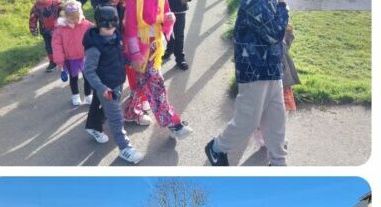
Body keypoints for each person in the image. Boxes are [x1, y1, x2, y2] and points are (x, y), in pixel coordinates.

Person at [205, 0, 288, 166]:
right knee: (248, 120)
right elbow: (274, 33)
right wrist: (283, 7)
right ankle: (217, 148)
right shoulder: (254, 2)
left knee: (276, 118)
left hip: (271, 68)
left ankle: (278, 161)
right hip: (254, 70)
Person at [121, 0, 190, 139]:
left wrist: (170, 19)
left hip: (155, 45)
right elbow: (130, 28)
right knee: (156, 84)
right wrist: (135, 55)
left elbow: (165, 16)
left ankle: (130, 112)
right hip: (140, 48)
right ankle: (173, 123)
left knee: (142, 81)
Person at [82, 5, 143, 163]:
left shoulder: (116, 36)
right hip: (106, 87)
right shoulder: (94, 47)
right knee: (116, 117)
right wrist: (102, 88)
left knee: (108, 109)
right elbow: (89, 71)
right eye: (105, 27)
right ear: (98, 24)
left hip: (117, 81)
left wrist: (130, 61)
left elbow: (119, 56)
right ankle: (125, 148)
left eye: (112, 26)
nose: (109, 30)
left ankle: (94, 126)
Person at [51, 1, 93, 106]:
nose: (75, 21)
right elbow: (56, 45)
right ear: (65, 17)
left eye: (77, 18)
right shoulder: (60, 29)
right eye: (72, 19)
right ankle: (75, 96)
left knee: (87, 77)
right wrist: (59, 60)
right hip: (70, 58)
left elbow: (95, 35)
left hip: (85, 56)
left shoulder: (87, 25)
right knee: (73, 78)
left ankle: (88, 96)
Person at [29, 0, 62, 71]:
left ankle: (63, 59)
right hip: (45, 30)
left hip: (58, 29)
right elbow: (33, 17)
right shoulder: (37, 6)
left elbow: (64, 12)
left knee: (61, 44)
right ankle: (53, 62)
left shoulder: (57, 2)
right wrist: (33, 28)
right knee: (49, 46)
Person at [163, 0, 188, 69]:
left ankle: (180, 58)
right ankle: (170, 47)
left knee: (179, 35)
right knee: (165, 31)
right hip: (164, 8)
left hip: (179, 9)